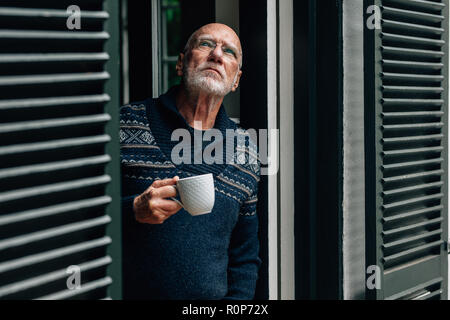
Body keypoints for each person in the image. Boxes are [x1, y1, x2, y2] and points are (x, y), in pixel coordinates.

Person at [120, 23, 261, 300]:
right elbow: (78, 212)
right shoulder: (125, 124)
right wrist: (133, 210)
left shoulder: (247, 152)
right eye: (206, 44)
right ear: (181, 63)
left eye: (229, 51)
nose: (217, 55)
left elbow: (244, 257)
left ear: (236, 81)